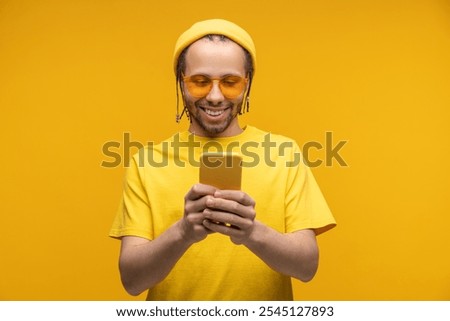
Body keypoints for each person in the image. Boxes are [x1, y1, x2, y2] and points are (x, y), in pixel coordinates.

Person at [109, 19, 336, 300]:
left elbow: (306, 267)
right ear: (181, 83)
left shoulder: (284, 154)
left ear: (247, 83)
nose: (215, 96)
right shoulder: (146, 163)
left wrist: (251, 232)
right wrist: (183, 232)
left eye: (229, 82)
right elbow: (132, 281)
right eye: (200, 82)